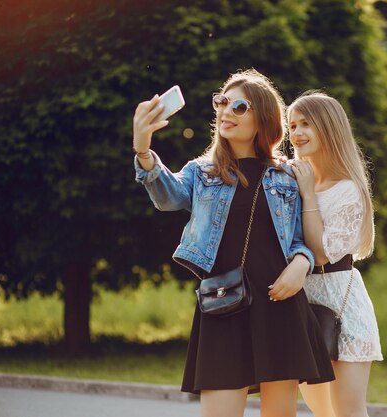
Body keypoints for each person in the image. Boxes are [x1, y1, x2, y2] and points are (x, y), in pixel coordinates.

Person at [132, 70, 334, 417]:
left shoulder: (289, 174)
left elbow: (302, 239)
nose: (226, 111)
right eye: (222, 102)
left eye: (239, 106)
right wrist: (143, 149)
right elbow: (167, 195)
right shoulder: (202, 173)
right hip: (224, 305)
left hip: (279, 302)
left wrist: (301, 264)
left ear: (263, 118)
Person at [287, 92, 383, 417]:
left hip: (343, 312)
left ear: (328, 127)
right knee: (322, 413)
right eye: (292, 125)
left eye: (305, 124)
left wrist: (309, 193)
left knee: (348, 412)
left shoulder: (347, 189)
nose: (296, 133)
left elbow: (321, 254)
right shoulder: (292, 180)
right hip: (304, 310)